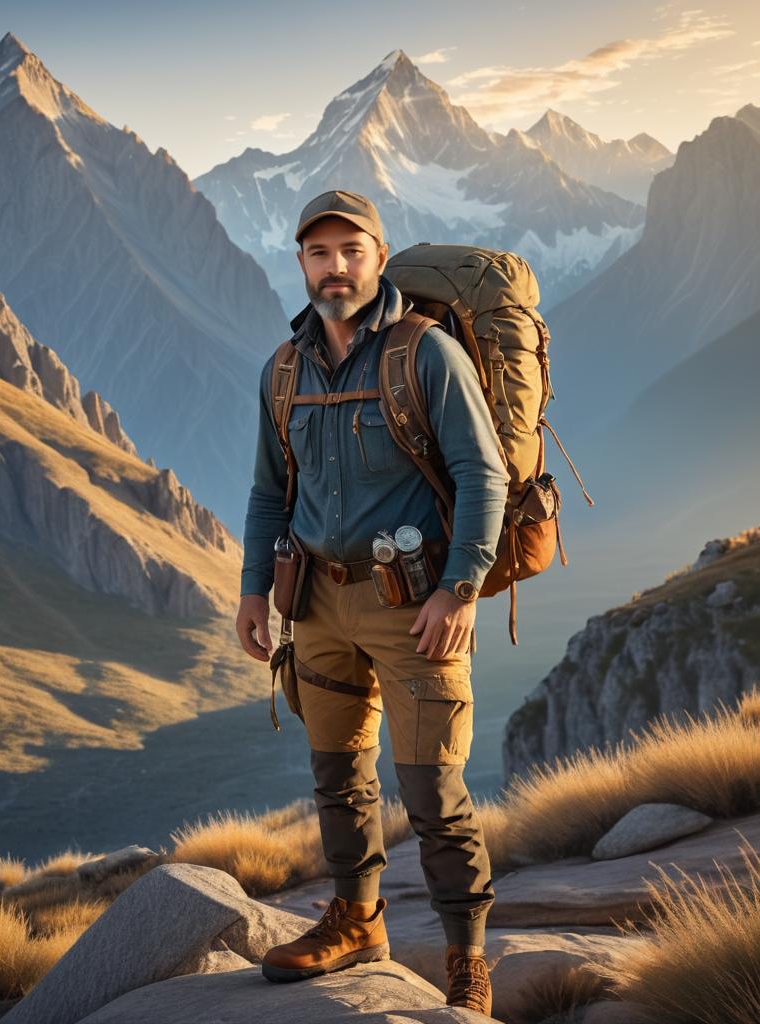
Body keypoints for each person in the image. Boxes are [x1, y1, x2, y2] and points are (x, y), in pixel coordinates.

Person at [235, 189, 505, 1015]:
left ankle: (467, 959)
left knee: (432, 792)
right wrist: (253, 590)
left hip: (414, 603)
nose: (335, 267)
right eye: (319, 253)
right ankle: (357, 919)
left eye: (351, 250)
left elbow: (483, 474)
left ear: (378, 258)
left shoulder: (424, 354)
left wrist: (461, 588)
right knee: (338, 776)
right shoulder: (283, 370)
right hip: (317, 603)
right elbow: (267, 492)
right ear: (302, 265)